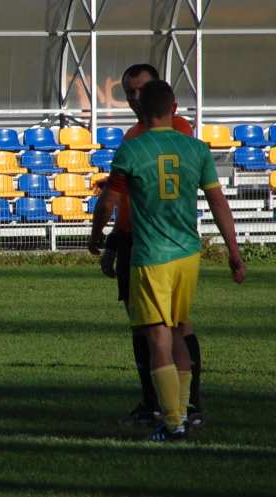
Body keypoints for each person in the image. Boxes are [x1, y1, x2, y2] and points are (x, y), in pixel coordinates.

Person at [88, 80, 245, 441]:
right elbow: (219, 203)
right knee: (178, 332)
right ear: (174, 108)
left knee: (157, 337)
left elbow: (109, 202)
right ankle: (186, 413)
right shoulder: (197, 149)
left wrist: (98, 237)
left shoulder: (132, 149)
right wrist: (234, 254)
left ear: (141, 111)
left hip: (151, 255)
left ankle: (172, 422)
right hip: (188, 254)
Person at [99, 64, 202, 427]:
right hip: (133, 238)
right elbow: (124, 197)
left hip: (160, 244)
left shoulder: (177, 130)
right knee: (143, 327)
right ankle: (154, 402)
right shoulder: (132, 137)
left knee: (174, 328)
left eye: (140, 90)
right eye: (128, 92)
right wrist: (114, 241)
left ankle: (186, 408)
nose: (133, 98)